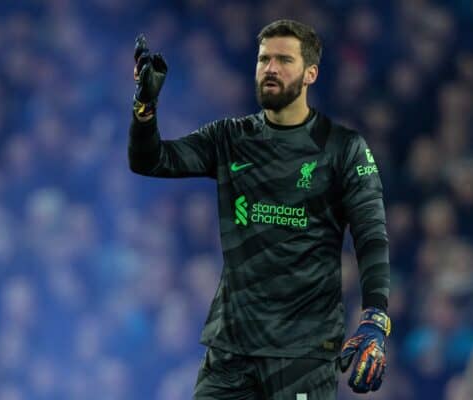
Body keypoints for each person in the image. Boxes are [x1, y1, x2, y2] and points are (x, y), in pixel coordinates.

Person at [128, 19, 391, 400]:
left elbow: (371, 235)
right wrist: (145, 107)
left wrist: (375, 318)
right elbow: (150, 161)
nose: (270, 68)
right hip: (232, 350)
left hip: (303, 355)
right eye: (264, 59)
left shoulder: (344, 149)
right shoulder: (229, 138)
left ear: (310, 73)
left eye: (284, 59)